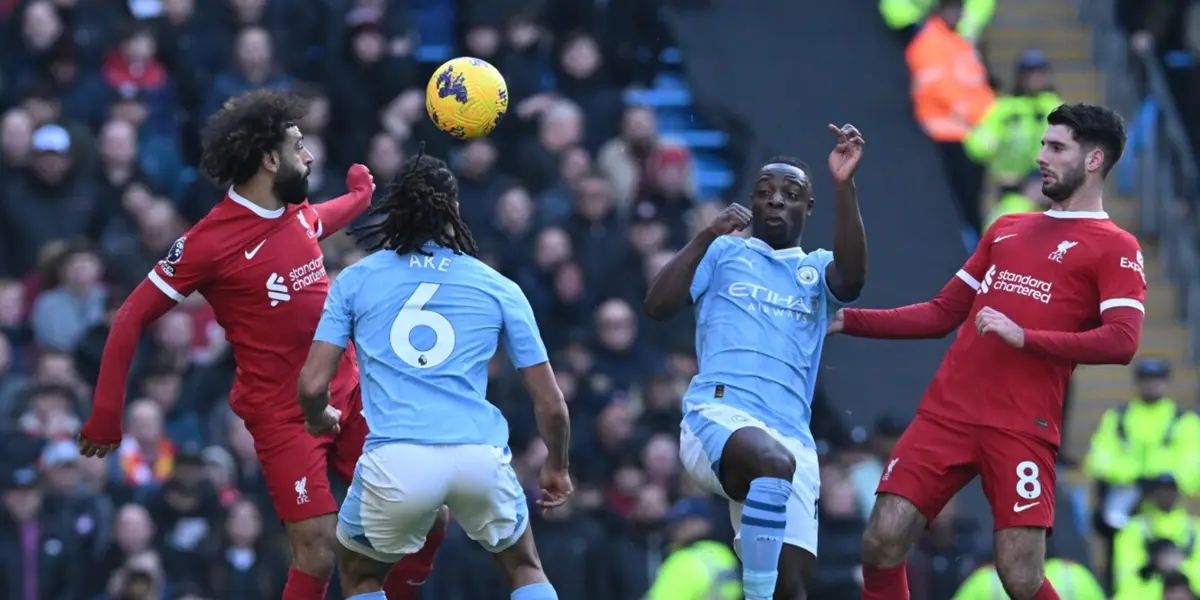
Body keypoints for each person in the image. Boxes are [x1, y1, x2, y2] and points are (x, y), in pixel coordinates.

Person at [75, 90, 444, 600]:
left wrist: (360, 197)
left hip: (352, 392)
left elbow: (319, 219)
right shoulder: (209, 242)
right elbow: (129, 317)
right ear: (270, 160)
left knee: (429, 513)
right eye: (299, 147)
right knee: (316, 550)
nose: (310, 156)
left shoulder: (294, 214)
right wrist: (105, 417)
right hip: (284, 415)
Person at [828, 102, 1145, 600]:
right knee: (881, 541)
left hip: (1022, 426)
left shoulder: (1117, 246)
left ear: (1093, 160)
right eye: (1043, 144)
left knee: (1019, 576)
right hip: (947, 414)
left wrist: (1027, 337)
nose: (1041, 156)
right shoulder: (1007, 228)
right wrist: (847, 320)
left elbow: (1123, 341)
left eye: (1056, 147)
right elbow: (940, 314)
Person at [296, 145, 574, 600]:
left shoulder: (355, 279)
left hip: (398, 458)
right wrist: (557, 466)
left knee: (361, 576)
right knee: (524, 567)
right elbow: (552, 406)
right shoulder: (498, 286)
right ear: (456, 210)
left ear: (395, 209)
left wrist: (317, 417)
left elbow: (311, 385)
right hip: (478, 456)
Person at [644, 123, 868, 600]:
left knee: (795, 589)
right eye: (765, 193)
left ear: (808, 207)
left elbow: (852, 280)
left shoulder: (815, 269)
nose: (776, 200)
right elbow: (658, 305)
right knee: (770, 461)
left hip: (792, 437)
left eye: (791, 193)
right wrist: (704, 235)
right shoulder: (724, 252)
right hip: (719, 416)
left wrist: (844, 186)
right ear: (751, 201)